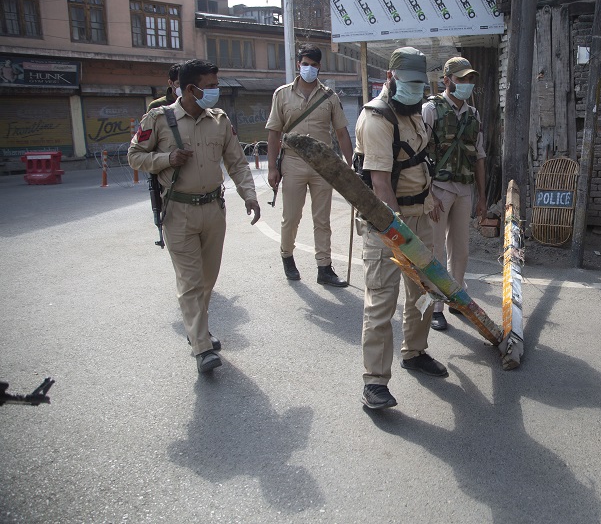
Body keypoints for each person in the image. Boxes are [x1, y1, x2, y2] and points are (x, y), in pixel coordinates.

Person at [128, 59, 261, 373]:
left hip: (214, 210)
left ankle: (196, 331)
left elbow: (238, 162)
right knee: (190, 282)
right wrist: (167, 158)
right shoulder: (158, 119)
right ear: (191, 88)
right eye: (211, 86)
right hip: (178, 211)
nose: (216, 91)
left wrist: (250, 195)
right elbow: (134, 155)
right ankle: (202, 347)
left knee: (207, 280)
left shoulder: (220, 120)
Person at [353, 46, 447, 410]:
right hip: (387, 223)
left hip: (420, 215)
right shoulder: (377, 119)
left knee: (424, 290)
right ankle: (374, 381)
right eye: (408, 83)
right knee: (381, 300)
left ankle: (415, 350)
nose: (415, 90)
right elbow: (381, 184)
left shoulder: (413, 113)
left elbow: (418, 162)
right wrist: (397, 235)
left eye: (420, 84)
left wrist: (431, 198)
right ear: (390, 78)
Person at [266, 45, 352, 286]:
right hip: (292, 161)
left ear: (320, 67)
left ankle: (324, 267)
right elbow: (273, 133)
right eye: (306, 63)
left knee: (322, 219)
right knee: (291, 216)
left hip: (323, 163)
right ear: (298, 64)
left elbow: (342, 134)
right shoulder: (282, 94)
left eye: (314, 65)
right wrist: (273, 168)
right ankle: (287, 256)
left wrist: (350, 165)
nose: (310, 68)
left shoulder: (329, 97)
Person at [421, 57, 487, 331]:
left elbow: (479, 157)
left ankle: (456, 298)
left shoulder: (474, 114)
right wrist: (428, 194)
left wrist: (482, 196)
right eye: (461, 79)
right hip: (437, 189)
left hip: (464, 190)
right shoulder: (430, 110)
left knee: (460, 250)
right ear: (446, 80)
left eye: (470, 79)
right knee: (435, 250)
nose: (466, 84)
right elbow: (419, 154)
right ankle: (436, 306)